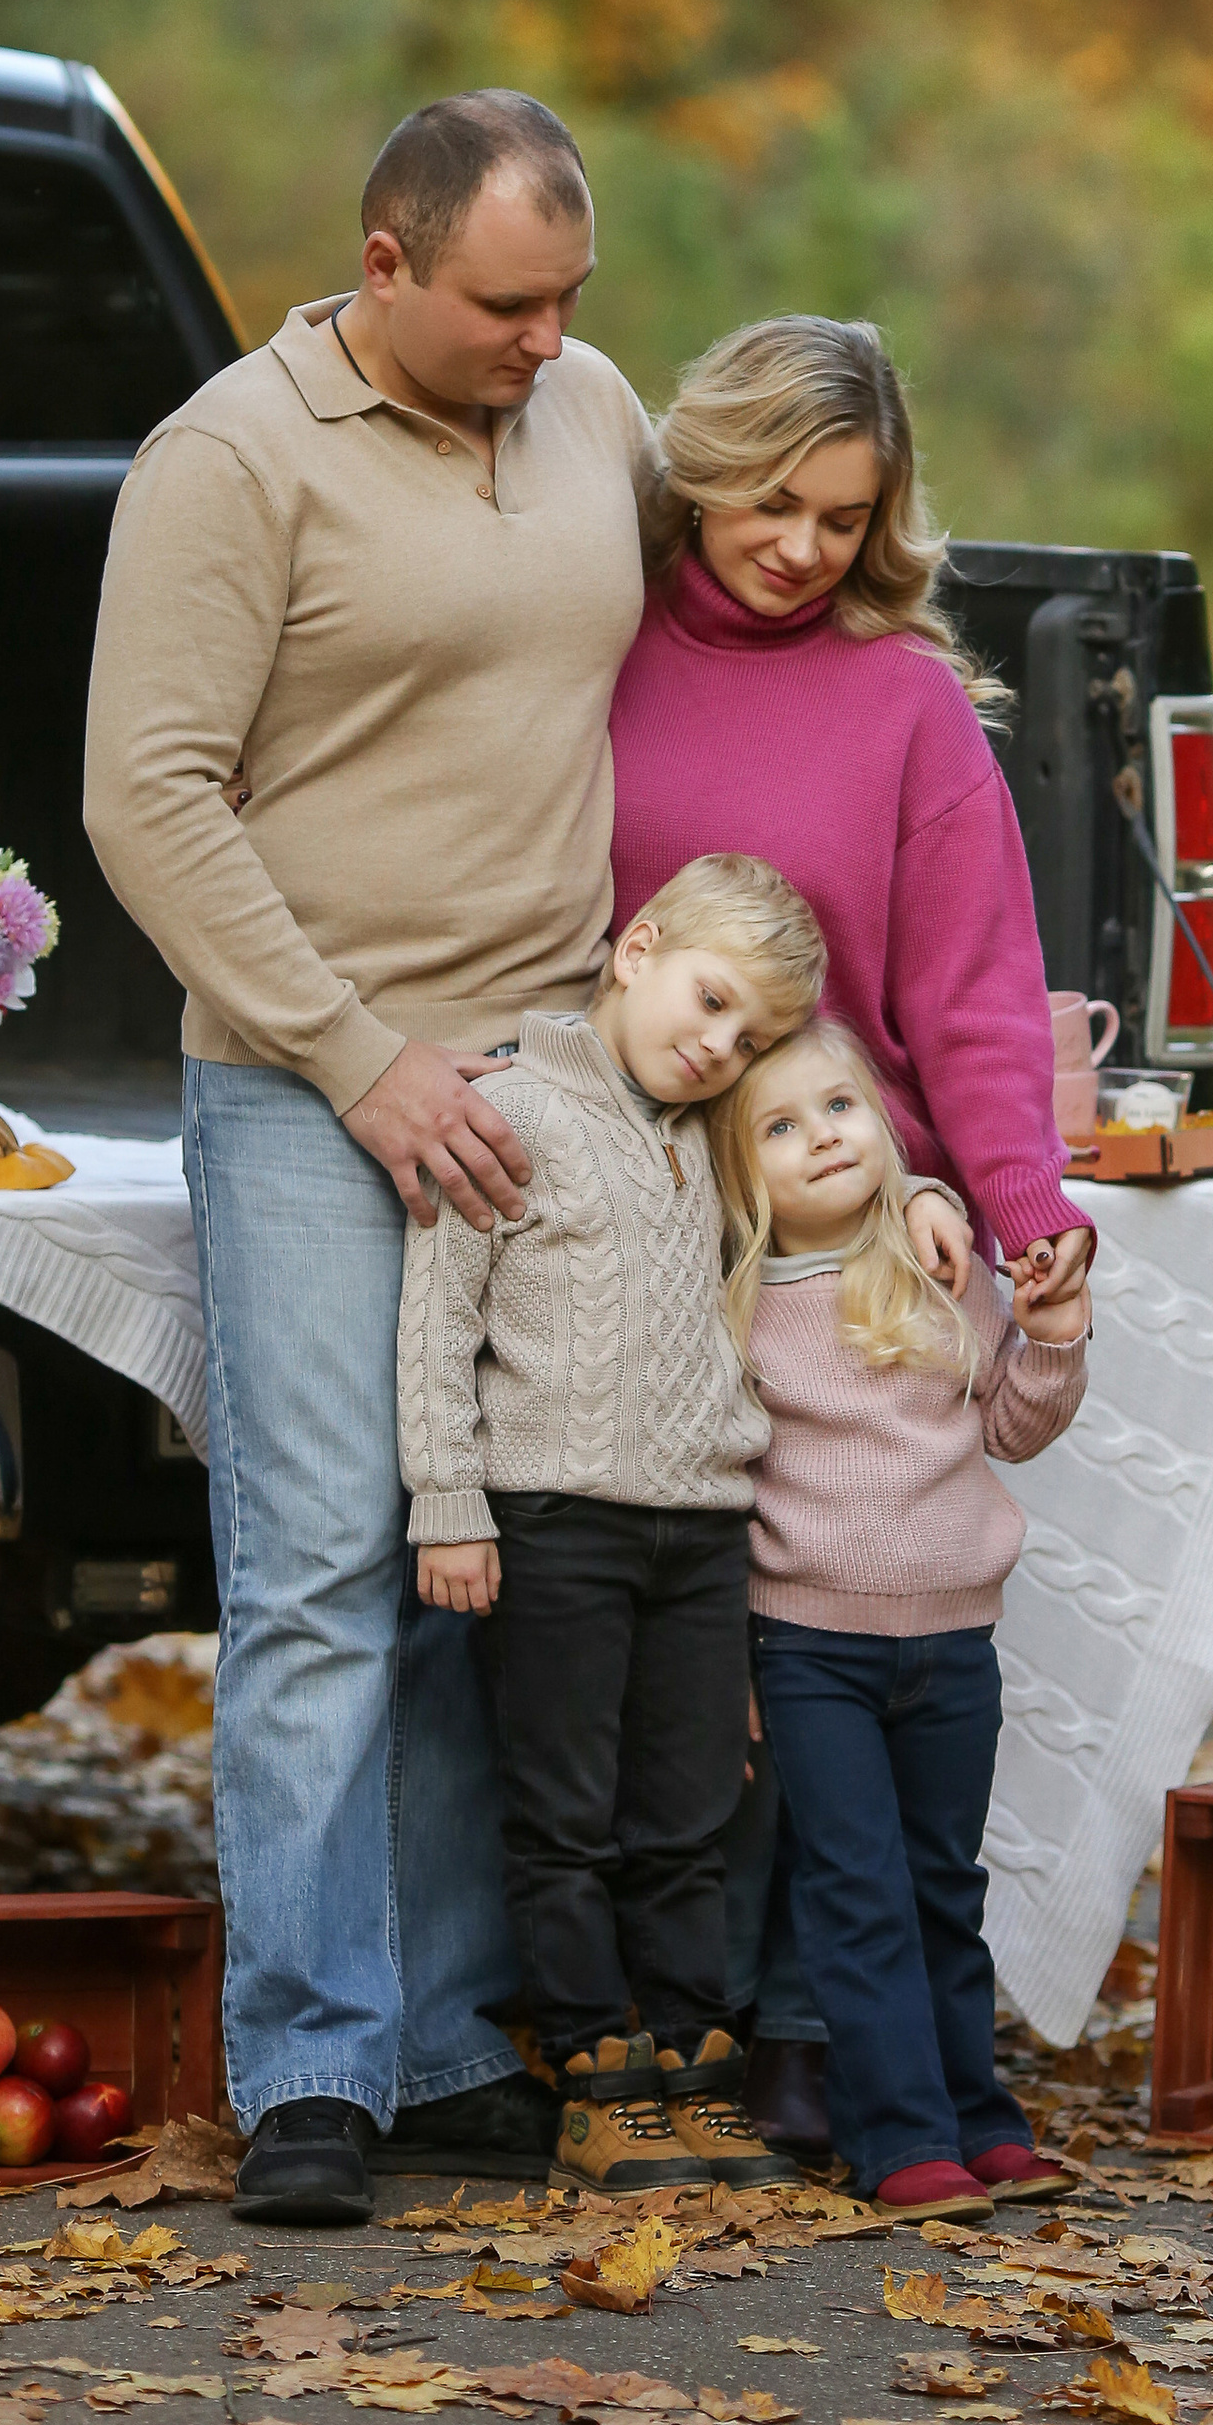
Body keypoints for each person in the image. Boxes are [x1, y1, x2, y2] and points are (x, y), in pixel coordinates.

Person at [84, 90, 649, 2227]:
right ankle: (313, 2060)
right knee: (321, 1567)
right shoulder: (231, 458)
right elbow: (148, 799)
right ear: (383, 261)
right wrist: (353, 1056)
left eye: (571, 296)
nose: (548, 337)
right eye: (508, 300)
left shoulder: (588, 407)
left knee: (472, 1569)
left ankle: (437, 2047)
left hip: (561, 1083)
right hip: (318, 1083)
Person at [608, 314, 1094, 2139]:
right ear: (703, 464)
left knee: (837, 1619)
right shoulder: (596, 649)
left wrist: (1026, 1203)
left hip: (833, 1222)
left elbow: (973, 992)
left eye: (844, 516)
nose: (801, 545)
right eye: (773, 501)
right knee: (653, 1626)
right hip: (630, 1210)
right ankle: (647, 1999)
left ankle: (824, 2028)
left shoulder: (903, 704)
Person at [398, 855, 822, 2196]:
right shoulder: (510, 1109)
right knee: (566, 1812)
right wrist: (449, 1503)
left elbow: (826, 1200)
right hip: (557, 1521)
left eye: (749, 1037)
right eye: (709, 1003)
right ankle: (595, 2068)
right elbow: (437, 1322)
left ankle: (694, 2063)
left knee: (691, 1811)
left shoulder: (712, 1142)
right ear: (636, 948)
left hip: (698, 1532)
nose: (718, 1047)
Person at [710, 1023, 1089, 2216]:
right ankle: (896, 2135)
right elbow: (716, 1490)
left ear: (882, 1123)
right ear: (738, 1174)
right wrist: (735, 1666)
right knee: (856, 1890)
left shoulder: (937, 1273)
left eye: (840, 1107)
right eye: (780, 1127)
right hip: (810, 1649)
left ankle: (978, 2118)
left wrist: (1053, 1334)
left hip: (952, 1648)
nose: (823, 1135)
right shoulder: (734, 1313)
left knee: (942, 1888)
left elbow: (1014, 1425)